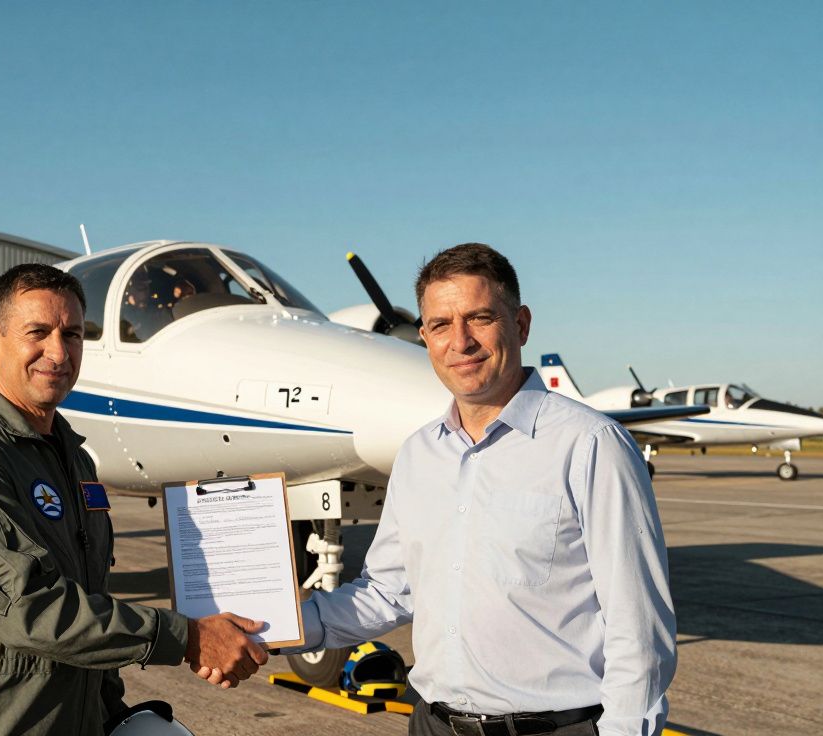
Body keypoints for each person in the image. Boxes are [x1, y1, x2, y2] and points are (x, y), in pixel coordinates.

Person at [204, 243, 677, 735]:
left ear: (520, 325)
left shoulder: (591, 445)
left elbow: (639, 630)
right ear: (425, 336)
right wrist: (273, 626)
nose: (461, 341)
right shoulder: (418, 455)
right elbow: (387, 592)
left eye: (480, 318)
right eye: (440, 325)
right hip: (432, 725)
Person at [0, 263, 268, 735]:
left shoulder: (73, 458)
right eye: (37, 332)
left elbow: (90, 599)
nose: (58, 352)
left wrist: (114, 715)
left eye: (73, 334)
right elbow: (31, 610)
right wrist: (187, 637)